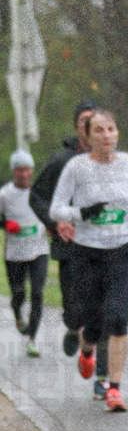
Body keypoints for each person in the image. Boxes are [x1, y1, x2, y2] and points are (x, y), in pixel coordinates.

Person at [49, 110, 128, 412]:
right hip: (87, 253)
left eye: (111, 129)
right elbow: (58, 208)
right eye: (99, 130)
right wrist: (81, 214)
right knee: (93, 323)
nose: (106, 135)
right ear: (88, 136)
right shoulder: (76, 168)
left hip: (122, 251)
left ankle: (114, 388)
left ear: (118, 132)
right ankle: (87, 351)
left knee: (119, 317)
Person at [29, 99, 110, 397]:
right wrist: (54, 222)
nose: (91, 129)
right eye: (84, 122)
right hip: (70, 249)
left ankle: (102, 376)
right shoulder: (62, 161)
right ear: (77, 127)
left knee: (103, 311)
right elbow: (37, 196)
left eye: (96, 122)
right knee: (75, 312)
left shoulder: (114, 162)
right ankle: (74, 327)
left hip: (104, 248)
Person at [0, 150, 50, 357]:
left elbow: (51, 212)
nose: (23, 174)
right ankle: (18, 313)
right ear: (14, 171)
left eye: (26, 169)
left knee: (37, 293)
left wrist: (52, 226)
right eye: (19, 170)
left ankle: (32, 339)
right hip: (14, 252)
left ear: (32, 170)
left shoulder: (39, 192)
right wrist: (5, 224)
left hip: (39, 249)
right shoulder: (5, 195)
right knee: (19, 293)